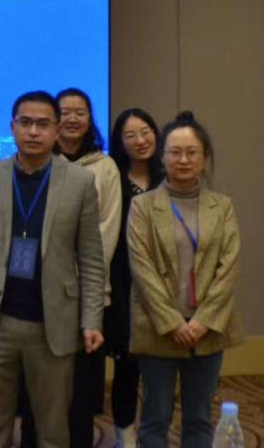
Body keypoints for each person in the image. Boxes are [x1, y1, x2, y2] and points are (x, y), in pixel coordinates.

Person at [0, 90, 105, 448]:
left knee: (52, 431)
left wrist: (92, 320)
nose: (33, 131)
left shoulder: (79, 182)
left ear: (57, 130)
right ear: (12, 127)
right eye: (26, 123)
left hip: (53, 323)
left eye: (43, 124)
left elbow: (92, 259)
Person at [128, 111, 243, 448]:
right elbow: (142, 270)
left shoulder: (222, 206)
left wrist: (202, 321)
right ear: (162, 157)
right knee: (155, 417)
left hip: (208, 328)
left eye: (192, 152)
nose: (183, 160)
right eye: (175, 152)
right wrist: (173, 323)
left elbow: (229, 267)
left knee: (199, 418)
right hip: (159, 327)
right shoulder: (143, 206)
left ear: (204, 157)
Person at [18, 88, 122, 448]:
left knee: (81, 390)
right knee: (36, 387)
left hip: (87, 294)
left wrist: (75, 275)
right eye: (65, 112)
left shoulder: (105, 167)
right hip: (40, 293)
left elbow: (106, 232)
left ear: (90, 119)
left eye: (81, 112)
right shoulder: (37, 165)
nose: (73, 118)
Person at [106, 108, 165, 448]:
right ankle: (124, 436)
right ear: (120, 142)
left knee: (162, 368)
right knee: (127, 367)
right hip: (125, 282)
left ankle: (155, 433)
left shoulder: (169, 176)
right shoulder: (113, 178)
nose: (140, 140)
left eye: (146, 131)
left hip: (165, 284)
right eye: (131, 135)